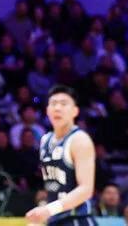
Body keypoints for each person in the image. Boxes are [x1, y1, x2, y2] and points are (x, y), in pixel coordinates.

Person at [27, 85, 97, 225]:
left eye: (64, 104)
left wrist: (49, 209)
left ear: (75, 111)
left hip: (77, 219)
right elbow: (54, 186)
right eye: (53, 103)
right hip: (55, 219)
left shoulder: (80, 140)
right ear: (47, 110)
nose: (57, 108)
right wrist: (42, 208)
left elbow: (86, 189)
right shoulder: (45, 140)